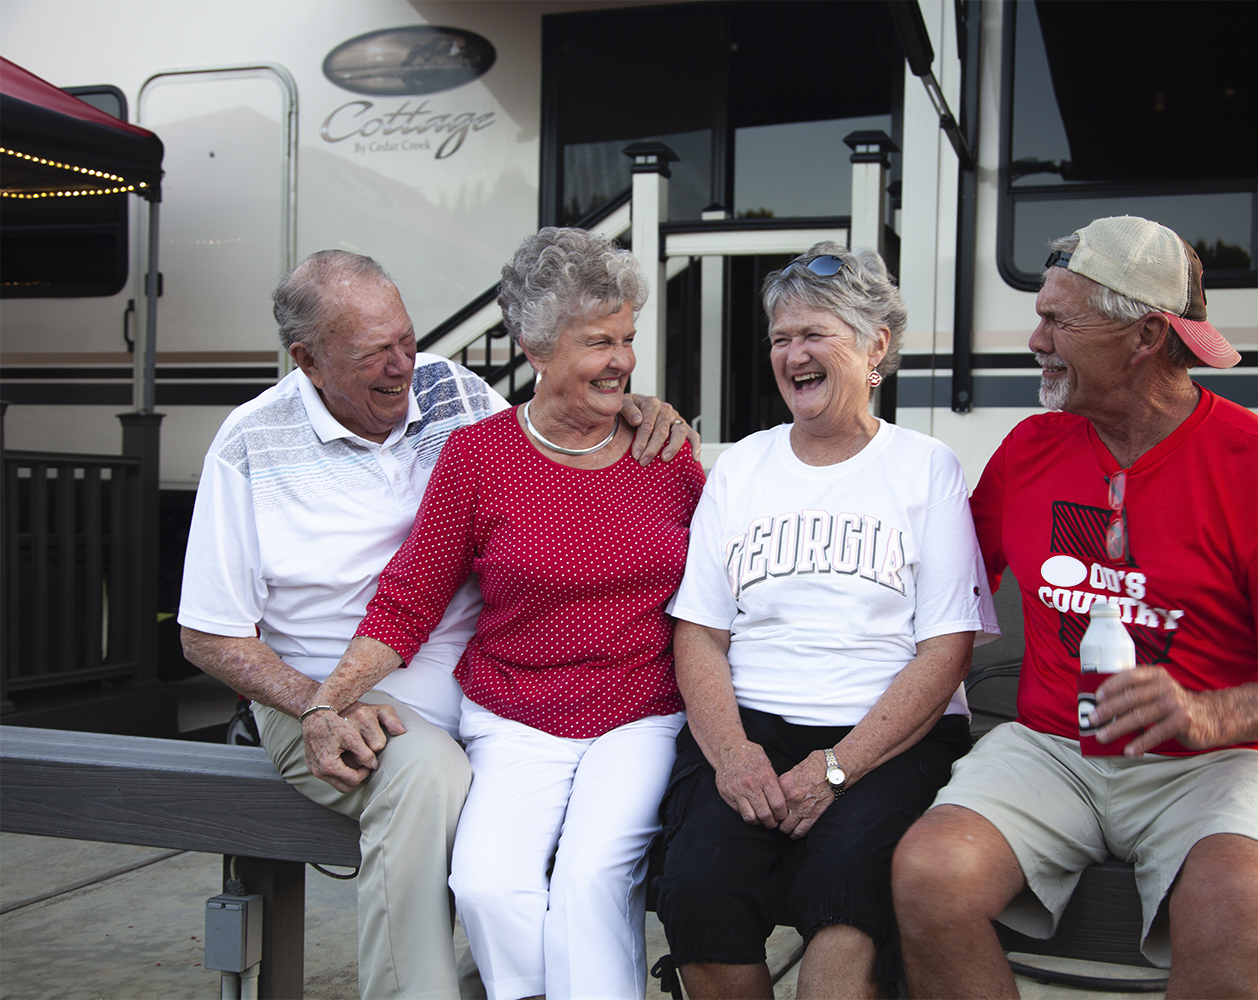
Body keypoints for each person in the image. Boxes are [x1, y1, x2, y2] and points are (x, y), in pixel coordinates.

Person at [178, 248, 693, 1000]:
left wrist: (635, 403)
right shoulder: (251, 443)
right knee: (433, 780)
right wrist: (320, 703)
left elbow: (555, 439)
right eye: (373, 354)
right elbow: (208, 634)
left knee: (571, 866)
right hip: (334, 693)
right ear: (308, 360)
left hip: (500, 697)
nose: (403, 367)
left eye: (408, 341)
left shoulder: (453, 392)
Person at [892, 216, 1258, 999]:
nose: (1035, 340)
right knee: (928, 874)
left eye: (1057, 318)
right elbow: (931, 580)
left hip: (1215, 763)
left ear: (1145, 335)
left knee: (1234, 899)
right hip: (1052, 748)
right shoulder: (1030, 449)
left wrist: (1208, 714)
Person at [317, 228, 705, 1000]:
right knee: (490, 885)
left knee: (594, 876)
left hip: (640, 710)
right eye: (599, 342)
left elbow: (727, 589)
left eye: (628, 338)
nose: (623, 361)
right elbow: (409, 598)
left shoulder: (665, 452)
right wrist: (331, 696)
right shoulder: (478, 457)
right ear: (535, 347)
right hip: (515, 712)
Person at [654, 243, 999, 999]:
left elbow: (946, 649)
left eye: (815, 334)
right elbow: (701, 632)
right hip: (750, 731)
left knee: (846, 899)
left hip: (883, 740)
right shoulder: (742, 465)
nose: (793, 354)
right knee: (699, 887)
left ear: (876, 346)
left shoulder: (924, 468)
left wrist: (838, 767)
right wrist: (734, 754)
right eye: (781, 338)